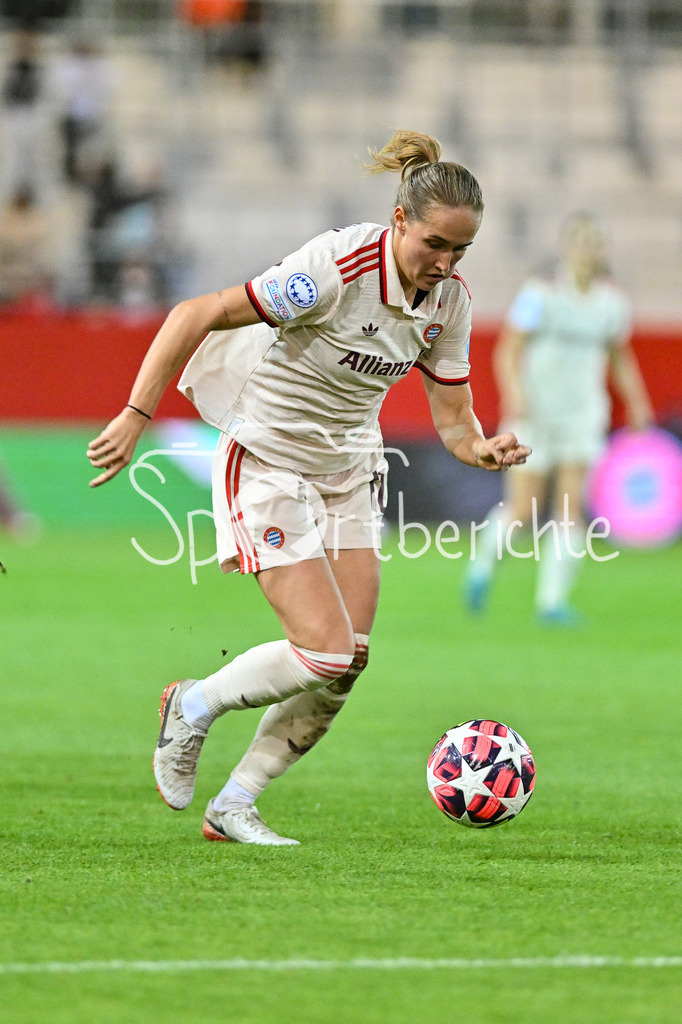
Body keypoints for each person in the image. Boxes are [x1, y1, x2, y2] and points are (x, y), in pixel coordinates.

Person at [87, 129, 530, 846]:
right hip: (267, 458)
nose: (446, 263)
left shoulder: (448, 303)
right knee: (323, 649)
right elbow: (193, 314)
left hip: (348, 468)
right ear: (399, 221)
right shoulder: (337, 267)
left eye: (461, 250)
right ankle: (192, 705)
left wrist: (482, 448)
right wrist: (137, 413)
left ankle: (236, 803)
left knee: (347, 661)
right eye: (435, 244)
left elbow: (454, 421)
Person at [464, 212, 653, 624]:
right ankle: (482, 567)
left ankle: (551, 602)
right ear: (567, 247)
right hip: (537, 411)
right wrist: (515, 393)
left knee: (570, 506)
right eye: (582, 241)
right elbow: (509, 349)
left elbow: (619, 356)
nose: (589, 250)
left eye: (596, 242)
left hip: (583, 413)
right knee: (524, 508)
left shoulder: (612, 303)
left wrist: (637, 401)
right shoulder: (541, 294)